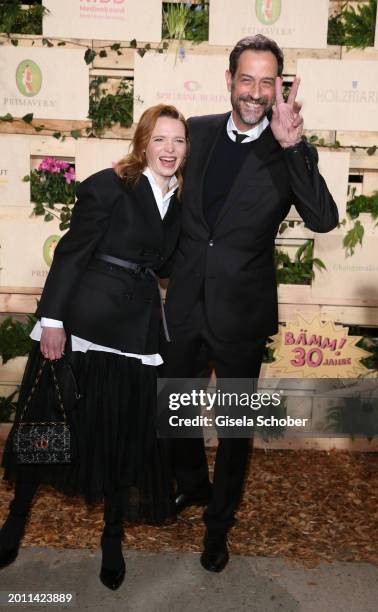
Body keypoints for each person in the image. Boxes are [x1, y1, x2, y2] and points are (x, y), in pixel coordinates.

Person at [162, 35, 339, 572]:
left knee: (235, 429)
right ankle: (192, 485)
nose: (256, 92)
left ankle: (219, 527)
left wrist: (293, 149)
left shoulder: (289, 147)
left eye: (268, 81)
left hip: (242, 313)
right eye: (248, 79)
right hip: (186, 304)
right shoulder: (199, 131)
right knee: (176, 412)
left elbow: (324, 219)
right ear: (230, 79)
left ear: (279, 87)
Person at [0, 104, 188, 590]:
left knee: (122, 437)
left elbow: (161, 262)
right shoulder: (110, 185)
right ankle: (15, 522)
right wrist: (54, 319)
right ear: (143, 142)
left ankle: (111, 537)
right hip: (83, 327)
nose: (170, 149)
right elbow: (71, 251)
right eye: (161, 139)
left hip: (135, 334)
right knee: (49, 430)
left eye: (179, 141)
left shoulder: (177, 201)